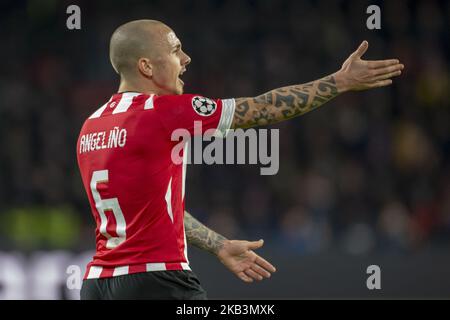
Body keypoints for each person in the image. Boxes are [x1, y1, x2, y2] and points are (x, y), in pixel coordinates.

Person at [76, 19, 403, 300]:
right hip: (158, 279)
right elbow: (261, 109)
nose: (186, 59)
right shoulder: (164, 112)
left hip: (98, 284)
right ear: (146, 66)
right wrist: (339, 82)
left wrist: (218, 245)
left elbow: (157, 210)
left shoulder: (91, 127)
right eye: (176, 51)